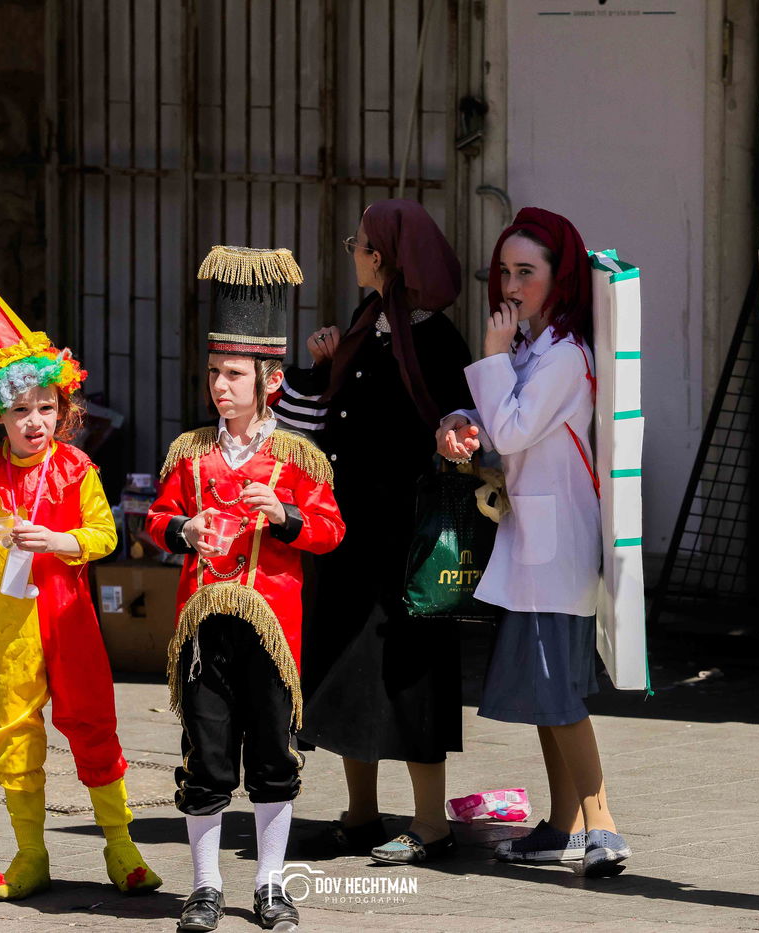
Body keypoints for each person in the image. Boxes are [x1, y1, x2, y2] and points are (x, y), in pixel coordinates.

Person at [0, 253, 161, 901]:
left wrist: (60, 539)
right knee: (14, 729)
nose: (34, 421)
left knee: (92, 720)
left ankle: (121, 847)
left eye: (44, 407)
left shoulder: (76, 468)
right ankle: (30, 853)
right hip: (11, 625)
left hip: (69, 617)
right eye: (20, 412)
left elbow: (106, 535)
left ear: (60, 406)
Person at [146, 245, 345, 932]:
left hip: (273, 629)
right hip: (203, 629)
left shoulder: (297, 456)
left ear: (270, 379)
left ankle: (268, 883)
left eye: (232, 374)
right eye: (212, 373)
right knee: (204, 753)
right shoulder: (189, 452)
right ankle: (203, 886)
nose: (219, 386)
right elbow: (155, 518)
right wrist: (182, 530)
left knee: (272, 753)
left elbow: (330, 529)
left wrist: (285, 515)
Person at [436, 207, 631, 875]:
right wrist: (461, 420)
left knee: (560, 691)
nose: (511, 286)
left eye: (527, 272)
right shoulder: (534, 346)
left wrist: (489, 360)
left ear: (559, 278)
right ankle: (562, 822)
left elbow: (513, 430)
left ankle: (602, 821)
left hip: (557, 543)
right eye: (504, 272)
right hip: (535, 540)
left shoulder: (567, 356)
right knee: (549, 695)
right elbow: (497, 423)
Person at [285, 200, 473, 865]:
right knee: (346, 674)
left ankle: (432, 824)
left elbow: (460, 421)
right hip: (347, 536)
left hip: (407, 542)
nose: (353, 252)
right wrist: (324, 362)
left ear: (385, 258)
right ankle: (361, 814)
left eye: (358, 243)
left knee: (410, 676)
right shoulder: (370, 323)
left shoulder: (437, 339)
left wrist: (455, 433)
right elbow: (330, 416)